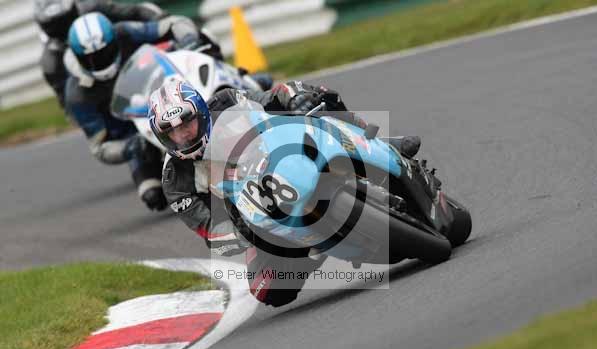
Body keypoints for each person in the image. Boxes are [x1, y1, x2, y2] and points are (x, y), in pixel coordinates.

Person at [148, 79, 422, 306]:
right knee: (267, 290)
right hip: (257, 217)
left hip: (284, 155)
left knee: (320, 96)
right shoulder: (174, 180)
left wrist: (295, 97)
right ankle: (311, 248)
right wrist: (237, 233)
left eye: (187, 124)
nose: (183, 135)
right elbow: (209, 229)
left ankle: (378, 145)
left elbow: (273, 96)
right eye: (173, 132)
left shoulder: (226, 102)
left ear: (200, 113)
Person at [63, 12, 206, 210]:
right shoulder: (77, 94)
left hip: (171, 100)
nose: (99, 61)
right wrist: (129, 147)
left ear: (114, 40)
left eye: (104, 53)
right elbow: (99, 148)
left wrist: (188, 39)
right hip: (137, 135)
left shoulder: (125, 32)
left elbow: (173, 23)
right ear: (78, 58)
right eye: (90, 59)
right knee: (152, 195)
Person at [33, 0, 223, 108]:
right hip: (106, 95)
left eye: (66, 20)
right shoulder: (52, 63)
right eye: (58, 26)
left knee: (187, 40)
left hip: (134, 58)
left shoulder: (99, 12)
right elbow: (69, 104)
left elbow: (136, 11)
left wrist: (160, 22)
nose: (67, 28)